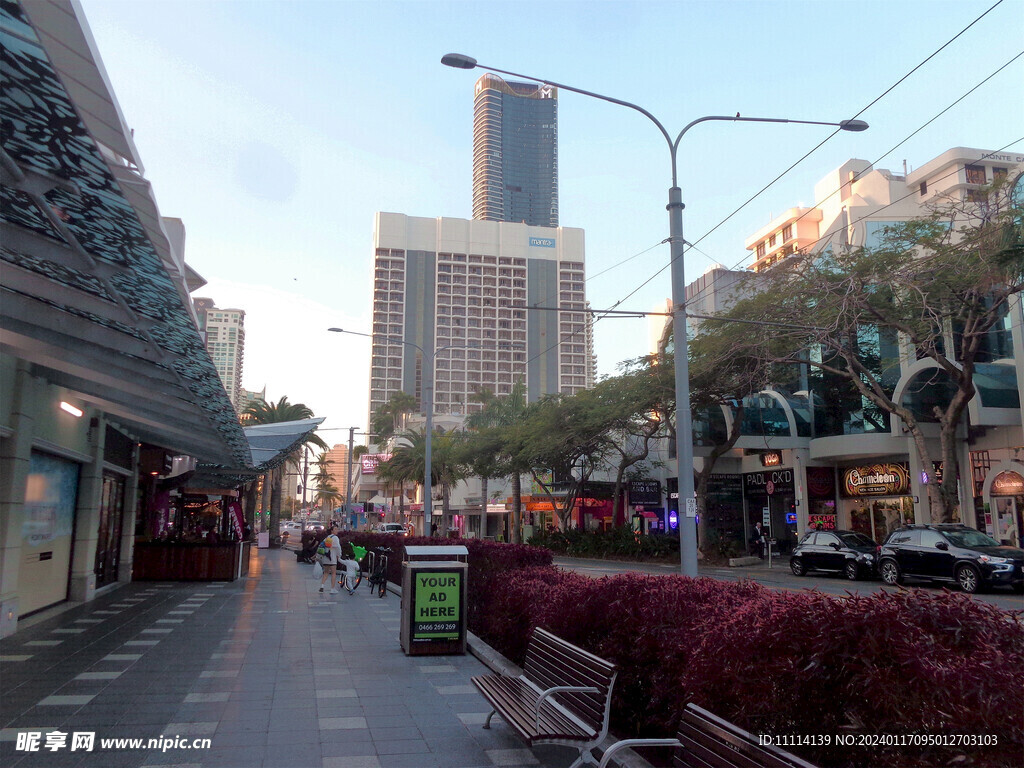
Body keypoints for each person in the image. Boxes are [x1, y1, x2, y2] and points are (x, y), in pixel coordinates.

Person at [319, 523, 341, 595]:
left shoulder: (327, 538)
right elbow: (338, 548)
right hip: (333, 558)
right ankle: (332, 589)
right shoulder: (335, 538)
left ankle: (322, 586)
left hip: (326, 558)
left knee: (326, 572)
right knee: (333, 573)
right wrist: (339, 555)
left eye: (337, 529)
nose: (337, 530)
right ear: (332, 530)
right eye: (335, 529)